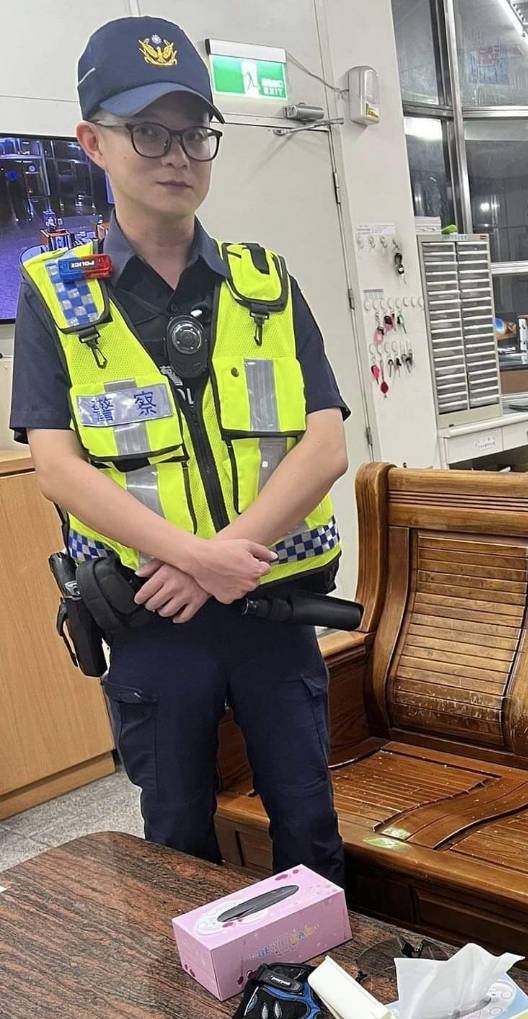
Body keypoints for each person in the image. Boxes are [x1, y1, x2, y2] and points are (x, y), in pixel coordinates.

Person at [10, 17, 349, 884]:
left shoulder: (264, 284)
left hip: (272, 608)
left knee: (309, 821)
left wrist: (221, 560)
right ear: (93, 141)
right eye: (148, 132)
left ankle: (333, 969)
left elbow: (324, 445)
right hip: (154, 620)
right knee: (175, 837)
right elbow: (57, 466)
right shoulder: (58, 297)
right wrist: (196, 561)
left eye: (195, 133)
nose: (178, 156)